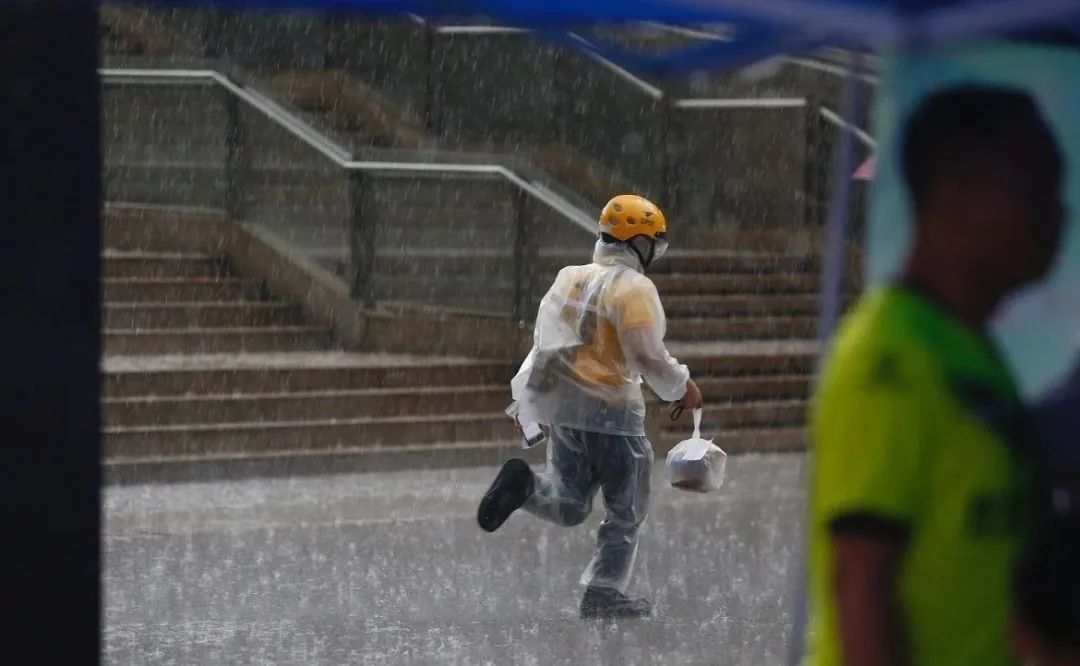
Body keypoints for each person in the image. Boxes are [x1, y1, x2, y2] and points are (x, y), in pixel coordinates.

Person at [804, 86, 1065, 665]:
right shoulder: (889, 358)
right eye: (1037, 192)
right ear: (958, 197)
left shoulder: (970, 351)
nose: (1058, 217)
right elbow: (862, 590)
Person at [476, 194, 703, 619]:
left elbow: (545, 346)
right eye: (654, 241)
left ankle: (525, 485)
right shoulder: (635, 290)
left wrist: (525, 405)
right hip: (614, 415)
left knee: (570, 502)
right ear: (638, 242)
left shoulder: (570, 279)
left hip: (566, 411)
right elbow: (647, 356)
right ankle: (603, 593)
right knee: (626, 509)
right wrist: (681, 386)